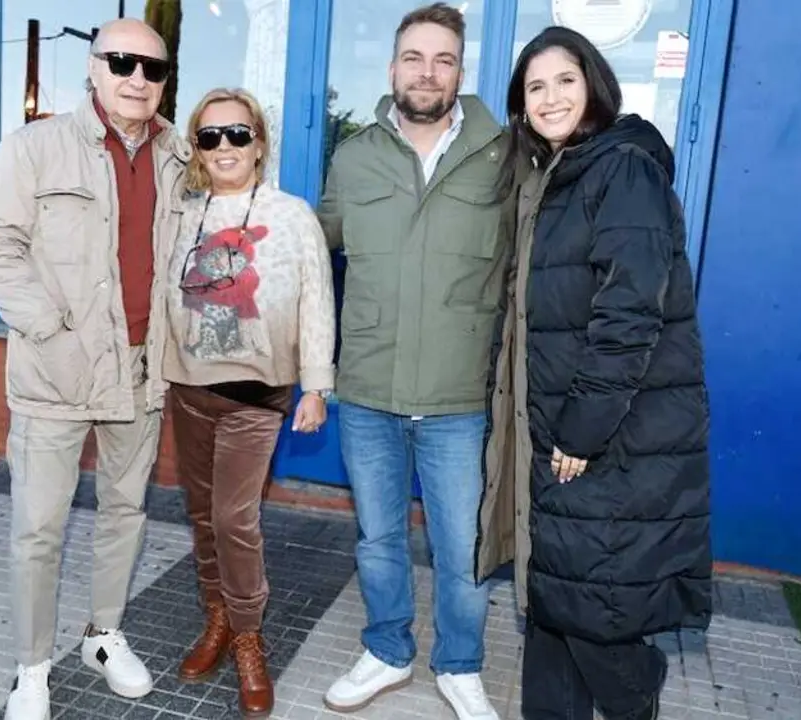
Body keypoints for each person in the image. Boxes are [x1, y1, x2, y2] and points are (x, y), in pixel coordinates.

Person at [474, 26, 713, 720]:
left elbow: (629, 316)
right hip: (558, 427)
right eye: (535, 87)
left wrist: (579, 432)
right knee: (554, 601)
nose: (551, 98)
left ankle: (639, 694)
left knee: (596, 611)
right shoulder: (555, 175)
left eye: (565, 81)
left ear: (596, 86)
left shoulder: (622, 169)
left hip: (606, 440)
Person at [0, 18, 190, 720]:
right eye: (122, 62)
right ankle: (31, 668)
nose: (137, 79)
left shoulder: (182, 152)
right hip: (56, 370)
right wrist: (50, 330)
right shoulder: (36, 148)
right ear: (93, 68)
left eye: (153, 68)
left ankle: (102, 634)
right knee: (40, 526)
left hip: (142, 370)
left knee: (126, 509)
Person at [316, 4, 509, 719]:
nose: (427, 72)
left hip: (459, 397)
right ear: (392, 67)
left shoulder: (502, 152)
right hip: (367, 387)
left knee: (462, 551)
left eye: (444, 60)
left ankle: (460, 665)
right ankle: (387, 651)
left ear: (461, 72)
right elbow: (313, 248)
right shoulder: (355, 154)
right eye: (414, 58)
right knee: (379, 539)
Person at [162, 87, 336, 718]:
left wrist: (316, 384)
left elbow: (317, 300)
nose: (225, 146)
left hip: (256, 399)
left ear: (259, 144)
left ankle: (248, 637)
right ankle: (216, 619)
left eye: (237, 134)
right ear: (198, 150)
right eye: (210, 137)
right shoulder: (182, 215)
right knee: (203, 516)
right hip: (189, 388)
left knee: (237, 520)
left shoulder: (291, 216)